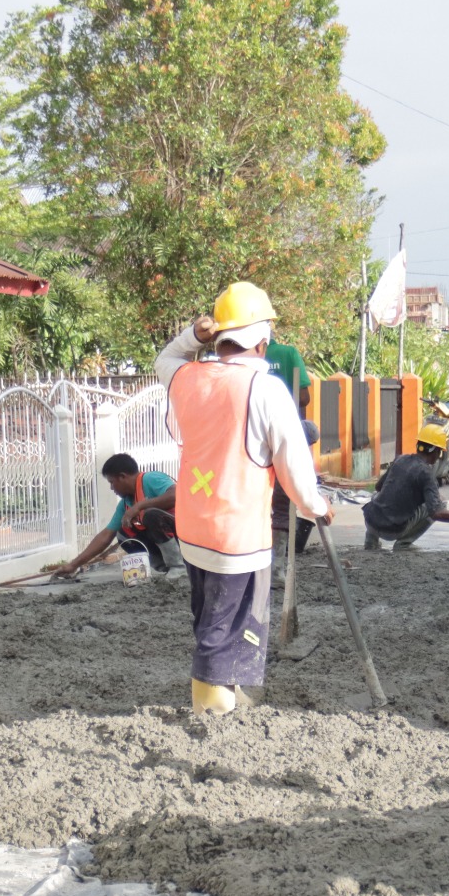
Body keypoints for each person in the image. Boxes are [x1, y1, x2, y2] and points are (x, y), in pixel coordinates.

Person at [156, 281, 333, 717]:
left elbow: (165, 357)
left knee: (210, 616)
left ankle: (228, 695)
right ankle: (212, 709)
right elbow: (294, 469)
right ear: (262, 339)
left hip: (194, 527)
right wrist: (318, 508)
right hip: (237, 536)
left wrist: (191, 338)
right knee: (228, 625)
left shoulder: (186, 376)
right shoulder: (266, 389)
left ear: (217, 335)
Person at [357, 425, 449, 550]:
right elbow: (437, 513)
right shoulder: (426, 473)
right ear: (435, 451)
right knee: (440, 502)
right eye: (440, 452)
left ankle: (371, 540)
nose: (439, 457)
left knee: (378, 496)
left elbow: (379, 486)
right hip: (393, 530)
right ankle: (404, 544)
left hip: (371, 521)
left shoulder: (400, 459)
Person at [53, 453, 178, 578]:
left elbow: (175, 495)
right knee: (124, 534)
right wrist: (73, 565)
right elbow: (106, 536)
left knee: (151, 515)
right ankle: (166, 568)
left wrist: (140, 506)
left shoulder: (150, 479)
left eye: (112, 482)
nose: (112, 488)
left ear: (122, 477)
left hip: (185, 537)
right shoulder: (126, 504)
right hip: (172, 540)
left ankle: (179, 567)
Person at [265, 336, 319, 579]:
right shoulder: (288, 354)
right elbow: (304, 398)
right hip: (283, 435)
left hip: (249, 439)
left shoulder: (240, 358)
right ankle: (277, 569)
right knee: (282, 503)